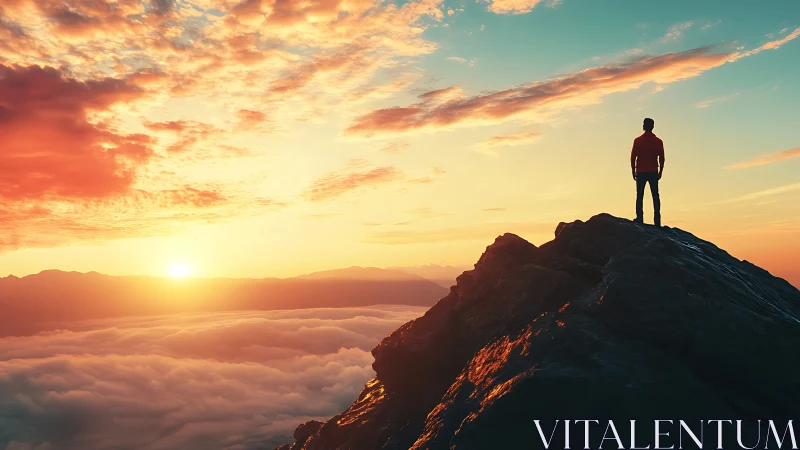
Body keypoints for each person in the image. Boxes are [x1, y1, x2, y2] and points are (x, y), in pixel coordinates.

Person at [630, 117, 665, 227]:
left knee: (640, 195)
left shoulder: (638, 141)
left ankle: (640, 217)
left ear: (644, 126)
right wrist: (660, 171)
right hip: (653, 171)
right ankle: (657, 219)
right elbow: (662, 158)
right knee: (655, 195)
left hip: (641, 171)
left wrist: (633, 169)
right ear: (653, 126)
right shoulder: (658, 141)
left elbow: (633, 157)